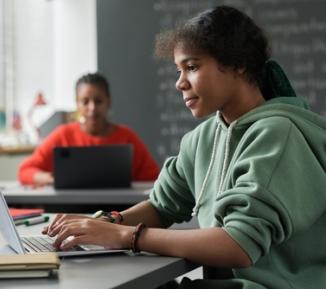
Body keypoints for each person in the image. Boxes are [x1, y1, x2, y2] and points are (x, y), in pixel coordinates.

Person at [42, 6, 326, 289]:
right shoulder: (202, 138)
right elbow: (161, 206)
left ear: (238, 64)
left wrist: (126, 236)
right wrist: (103, 223)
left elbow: (238, 245)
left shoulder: (279, 135)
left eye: (192, 67)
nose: (179, 83)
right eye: (179, 70)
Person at [18, 73, 160, 187]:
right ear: (77, 104)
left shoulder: (127, 137)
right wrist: (50, 178)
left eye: (98, 101)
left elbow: (155, 179)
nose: (92, 108)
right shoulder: (63, 135)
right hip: (70, 213)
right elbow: (25, 171)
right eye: (85, 101)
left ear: (108, 102)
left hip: (119, 214)